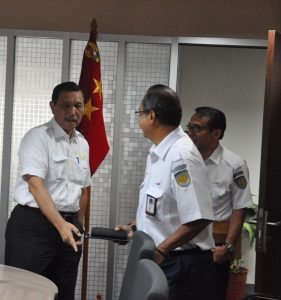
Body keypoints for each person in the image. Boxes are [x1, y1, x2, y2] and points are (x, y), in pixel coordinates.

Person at [116, 84, 216, 300]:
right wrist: (134, 226)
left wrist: (161, 250)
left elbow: (200, 217)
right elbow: (163, 209)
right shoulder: (159, 152)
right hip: (165, 258)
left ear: (151, 116)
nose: (138, 119)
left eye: (139, 113)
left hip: (181, 264)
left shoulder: (182, 155)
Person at [5, 81, 92, 300]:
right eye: (66, 105)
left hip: (68, 229)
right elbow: (35, 184)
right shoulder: (38, 137)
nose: (73, 112)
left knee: (64, 293)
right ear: (52, 107)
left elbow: (84, 189)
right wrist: (60, 224)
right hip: (33, 229)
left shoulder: (82, 143)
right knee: (25, 293)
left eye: (79, 106)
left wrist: (78, 224)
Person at [186, 106, 253, 300]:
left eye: (197, 128)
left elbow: (239, 208)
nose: (190, 133)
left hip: (213, 250)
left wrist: (228, 247)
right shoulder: (184, 160)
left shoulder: (234, 165)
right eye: (189, 127)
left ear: (216, 133)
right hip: (181, 248)